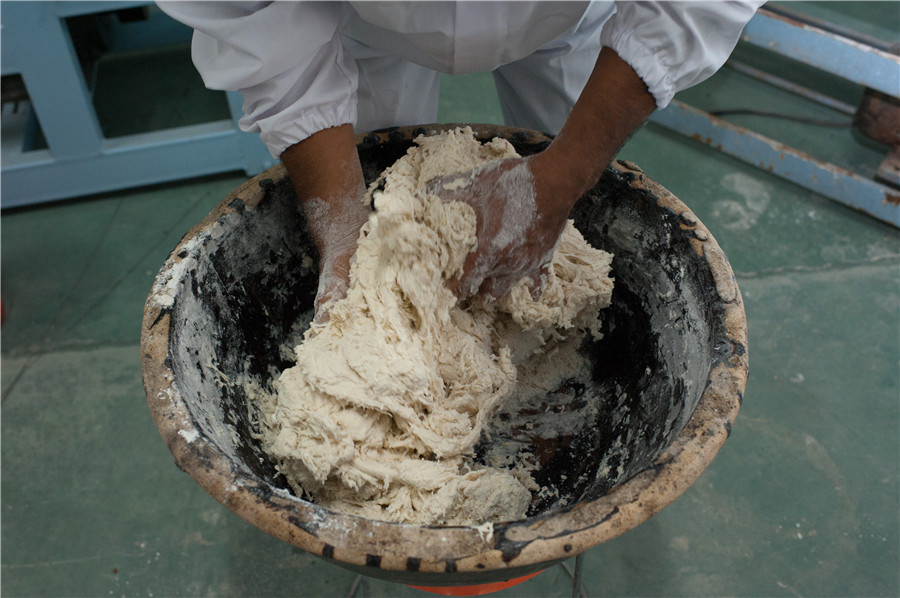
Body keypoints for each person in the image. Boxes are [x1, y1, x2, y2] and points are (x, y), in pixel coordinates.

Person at [159, 1, 762, 318]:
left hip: (570, 15)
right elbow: (252, 16)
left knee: (572, 217)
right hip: (361, 24)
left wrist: (560, 178)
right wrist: (343, 232)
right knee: (363, 198)